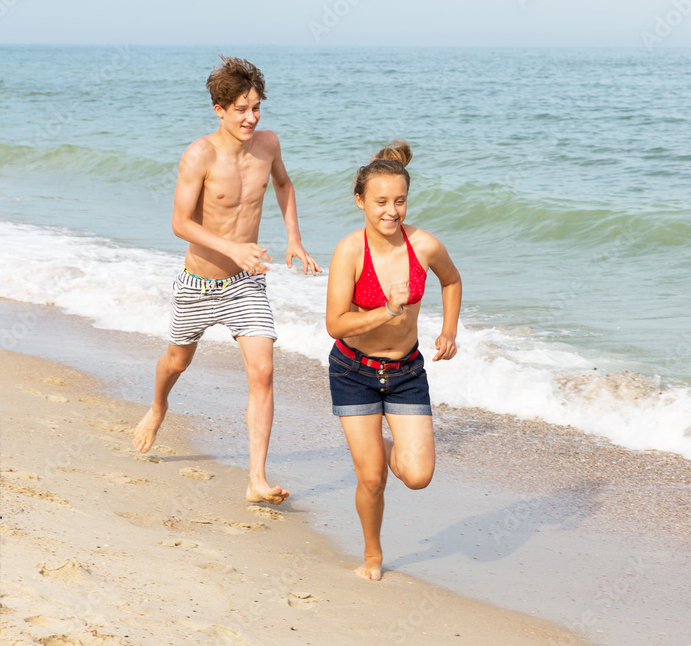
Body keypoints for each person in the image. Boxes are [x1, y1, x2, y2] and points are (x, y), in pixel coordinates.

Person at [132, 56, 320, 505]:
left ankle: (256, 478)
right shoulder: (200, 155)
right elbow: (180, 222)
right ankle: (159, 406)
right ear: (219, 108)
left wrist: (294, 238)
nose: (251, 118)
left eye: (256, 107)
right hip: (197, 284)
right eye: (241, 109)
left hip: (244, 281)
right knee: (176, 362)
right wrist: (233, 247)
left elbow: (284, 185)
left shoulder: (268, 145)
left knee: (263, 369)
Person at [325, 140, 462, 580]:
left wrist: (448, 331)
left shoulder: (424, 246)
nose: (391, 211)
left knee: (418, 475)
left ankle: (382, 447)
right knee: (371, 480)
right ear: (360, 200)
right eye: (381, 201)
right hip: (354, 372)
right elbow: (336, 324)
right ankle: (372, 555)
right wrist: (387, 309)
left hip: (406, 373)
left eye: (399, 201)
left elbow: (452, 280)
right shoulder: (350, 250)